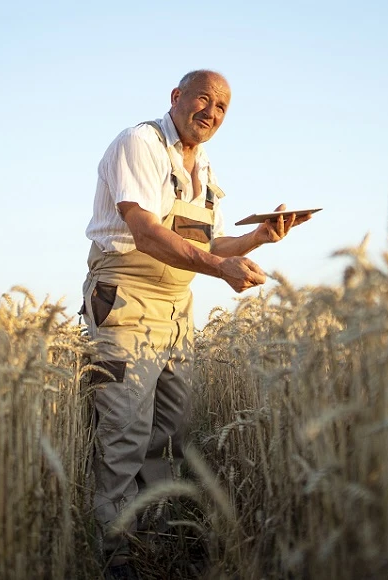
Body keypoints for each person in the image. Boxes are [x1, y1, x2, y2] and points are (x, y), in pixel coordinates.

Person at [80, 69, 311, 577]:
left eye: (222, 107)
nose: (211, 112)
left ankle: (156, 543)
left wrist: (259, 240)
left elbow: (210, 244)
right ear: (176, 97)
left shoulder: (204, 165)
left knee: (170, 432)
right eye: (202, 99)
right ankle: (118, 558)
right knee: (124, 432)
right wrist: (219, 269)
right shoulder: (140, 143)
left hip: (177, 307)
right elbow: (143, 231)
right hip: (125, 300)